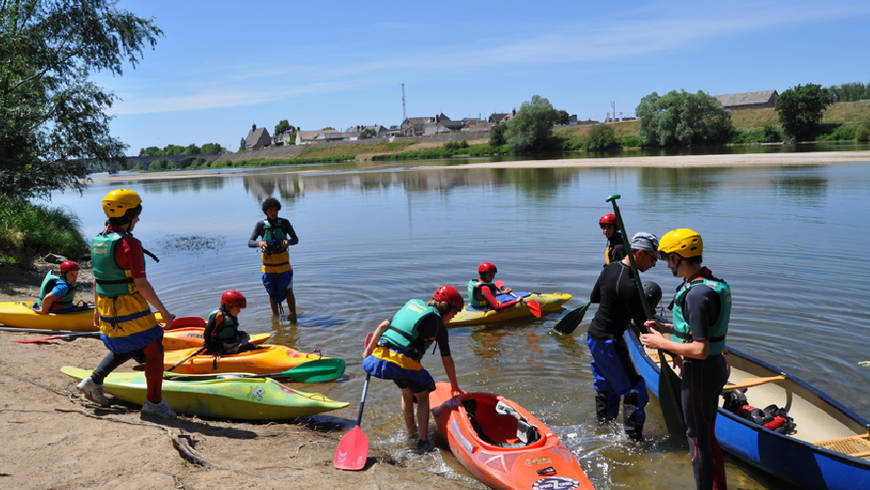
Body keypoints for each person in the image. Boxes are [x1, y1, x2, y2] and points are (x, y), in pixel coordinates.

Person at [640, 228, 730, 490]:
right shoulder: (707, 285)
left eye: (669, 258)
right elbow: (698, 332)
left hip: (701, 372)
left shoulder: (697, 295)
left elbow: (700, 349)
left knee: (696, 439)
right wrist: (666, 328)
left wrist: (661, 343)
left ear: (680, 257)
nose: (667, 263)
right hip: (713, 368)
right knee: (706, 436)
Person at [76, 189, 177, 419]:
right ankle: (153, 403)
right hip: (130, 309)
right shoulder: (129, 244)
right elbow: (141, 284)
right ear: (129, 215)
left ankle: (93, 381)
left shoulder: (98, 241)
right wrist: (164, 313)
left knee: (129, 344)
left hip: (107, 309)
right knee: (153, 347)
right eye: (136, 215)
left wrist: (96, 310)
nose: (138, 219)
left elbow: (97, 277)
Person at [362, 285, 464, 453]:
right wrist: (454, 386)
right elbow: (447, 361)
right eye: (455, 313)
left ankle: (411, 433)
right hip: (402, 361)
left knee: (407, 392)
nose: (453, 317)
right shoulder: (438, 324)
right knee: (423, 395)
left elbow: (382, 326)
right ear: (448, 308)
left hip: (382, 355)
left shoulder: (412, 303)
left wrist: (368, 351)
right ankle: (423, 442)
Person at [586, 232, 659, 440]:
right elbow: (643, 326)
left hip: (594, 335)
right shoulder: (631, 285)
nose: (654, 264)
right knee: (635, 390)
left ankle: (603, 429)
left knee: (606, 384)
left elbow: (595, 297)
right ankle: (634, 444)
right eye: (652, 258)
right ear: (640, 253)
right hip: (610, 341)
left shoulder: (610, 268)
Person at [248, 197, 299, 322]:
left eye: (276, 210)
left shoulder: (284, 223)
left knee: (288, 290)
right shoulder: (261, 225)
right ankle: (276, 317)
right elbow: (250, 242)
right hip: (269, 266)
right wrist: (259, 244)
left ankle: (293, 316)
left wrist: (288, 242)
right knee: (271, 292)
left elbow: (296, 239)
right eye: (271, 210)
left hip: (284, 265)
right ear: (266, 211)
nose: (273, 212)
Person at [203, 289, 253, 354]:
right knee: (245, 347)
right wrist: (214, 351)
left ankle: (239, 346)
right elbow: (206, 334)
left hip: (230, 340)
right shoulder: (218, 316)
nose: (239, 311)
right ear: (229, 306)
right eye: (237, 308)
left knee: (245, 336)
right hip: (219, 344)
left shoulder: (231, 315)